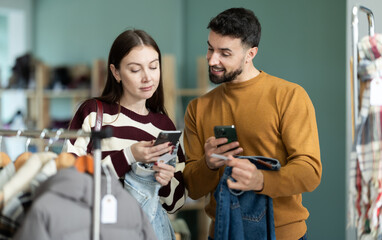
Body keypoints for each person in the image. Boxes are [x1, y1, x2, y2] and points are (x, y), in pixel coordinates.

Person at [183, 7, 322, 240]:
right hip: (221, 233)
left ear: (251, 54)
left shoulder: (289, 96)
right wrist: (208, 164)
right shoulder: (198, 108)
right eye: (210, 48)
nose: (212, 59)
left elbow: (310, 172)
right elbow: (194, 189)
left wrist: (261, 180)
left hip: (283, 235)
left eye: (225, 53)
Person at [65, 29, 186, 240]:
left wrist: (164, 181)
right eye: (135, 69)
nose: (147, 77)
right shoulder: (93, 113)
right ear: (116, 72)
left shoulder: (164, 125)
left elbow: (175, 203)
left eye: (154, 66)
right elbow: (70, 177)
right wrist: (129, 156)